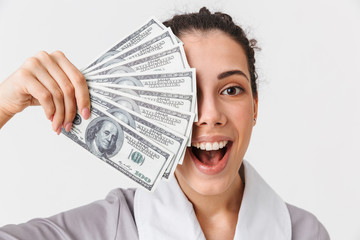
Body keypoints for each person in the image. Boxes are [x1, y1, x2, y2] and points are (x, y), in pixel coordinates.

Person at [0, 7, 330, 240]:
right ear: (154, 110)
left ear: (254, 106)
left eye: (231, 89)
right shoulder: (106, 228)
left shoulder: (306, 233)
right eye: (186, 92)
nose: (210, 114)